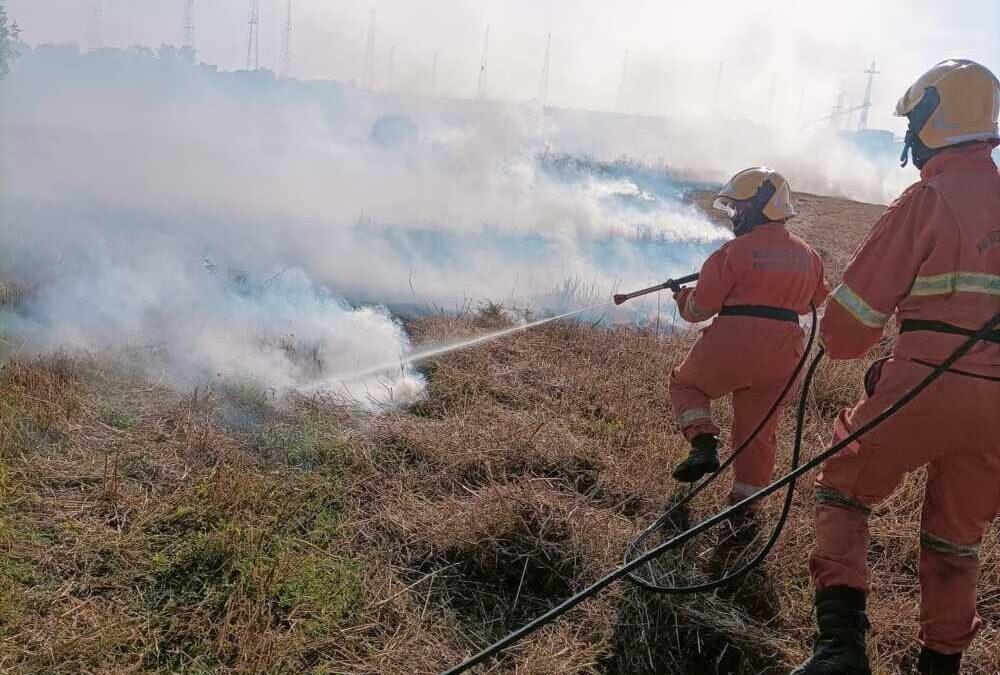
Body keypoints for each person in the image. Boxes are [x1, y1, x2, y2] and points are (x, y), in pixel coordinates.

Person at [792, 59, 1000, 675]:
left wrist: (851, 341)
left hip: (926, 385)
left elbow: (849, 328)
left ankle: (840, 649)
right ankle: (940, 667)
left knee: (845, 486)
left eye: (913, 119)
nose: (909, 133)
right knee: (955, 538)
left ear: (935, 118)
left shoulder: (929, 198)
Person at [669, 168, 829, 508]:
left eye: (738, 209)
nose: (733, 217)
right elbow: (815, 301)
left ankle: (702, 443)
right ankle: (747, 502)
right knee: (757, 432)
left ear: (759, 208)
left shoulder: (732, 252)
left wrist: (682, 297)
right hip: (784, 354)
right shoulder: (810, 255)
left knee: (686, 386)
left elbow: (700, 308)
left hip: (731, 342)